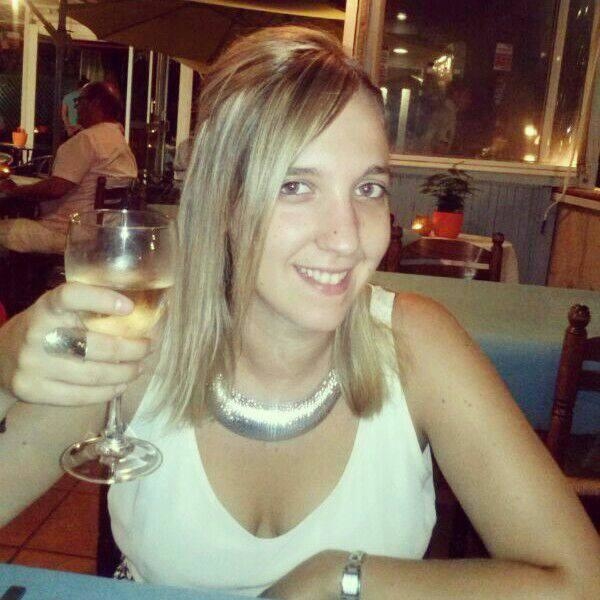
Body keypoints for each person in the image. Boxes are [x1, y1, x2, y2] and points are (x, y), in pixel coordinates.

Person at [0, 26, 598, 599]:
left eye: (368, 188)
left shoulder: (418, 344)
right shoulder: (137, 345)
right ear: (223, 202)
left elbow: (581, 581)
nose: (347, 237)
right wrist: (5, 366)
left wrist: (342, 579)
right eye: (295, 185)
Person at [0, 82, 137, 254]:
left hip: (64, 232)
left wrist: (14, 191)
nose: (76, 108)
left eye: (79, 101)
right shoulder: (119, 142)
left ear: (94, 103)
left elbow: (55, 189)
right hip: (101, 236)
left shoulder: (87, 140)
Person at [415, 79, 472, 155]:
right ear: (456, 94)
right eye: (466, 96)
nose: (469, 101)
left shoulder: (445, 111)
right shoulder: (447, 114)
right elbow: (440, 148)